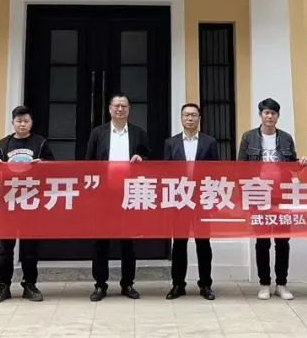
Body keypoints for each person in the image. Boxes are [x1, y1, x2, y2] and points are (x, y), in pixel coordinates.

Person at [237, 97, 307, 301]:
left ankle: (281, 284)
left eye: (273, 113)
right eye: (266, 113)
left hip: (281, 196)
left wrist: (301, 162)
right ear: (260, 115)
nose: (270, 116)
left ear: (278, 116)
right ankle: (264, 283)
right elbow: (240, 167)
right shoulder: (248, 137)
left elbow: (292, 165)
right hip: (259, 195)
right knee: (262, 241)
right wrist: (244, 197)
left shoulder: (285, 138)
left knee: (282, 241)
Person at [85, 94, 149, 301]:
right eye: (116, 106)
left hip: (130, 194)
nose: (120, 109)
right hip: (104, 195)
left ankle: (127, 283)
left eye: (124, 106)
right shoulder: (98, 133)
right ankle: (100, 285)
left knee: (128, 242)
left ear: (129, 109)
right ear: (110, 109)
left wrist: (142, 159)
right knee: (100, 242)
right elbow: (89, 163)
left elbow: (149, 158)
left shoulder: (139, 133)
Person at [0, 105, 54, 304]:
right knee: (5, 249)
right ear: (13, 123)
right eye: (19, 121)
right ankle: (3, 285)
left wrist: (43, 165)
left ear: (31, 123)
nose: (22, 124)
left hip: (31, 203)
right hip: (8, 203)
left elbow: (54, 168)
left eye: (26, 121)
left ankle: (30, 285)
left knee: (30, 248)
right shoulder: (3, 145)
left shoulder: (40, 143)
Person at [164, 103, 219, 301]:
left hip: (202, 199)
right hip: (179, 199)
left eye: (193, 115)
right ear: (181, 118)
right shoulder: (171, 143)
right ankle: (178, 284)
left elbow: (216, 172)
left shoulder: (209, 142)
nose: (189, 118)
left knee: (203, 243)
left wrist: (213, 199)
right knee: (179, 243)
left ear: (199, 118)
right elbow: (165, 173)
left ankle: (206, 284)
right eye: (186, 115)